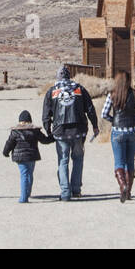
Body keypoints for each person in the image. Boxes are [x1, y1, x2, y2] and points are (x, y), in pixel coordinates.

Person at [41, 65, 99, 201]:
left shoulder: (52, 91)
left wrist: (48, 130)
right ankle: (76, 190)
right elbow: (90, 109)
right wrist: (95, 125)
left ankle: (65, 193)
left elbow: (45, 115)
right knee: (78, 159)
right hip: (79, 130)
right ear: (69, 76)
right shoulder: (79, 89)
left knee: (63, 161)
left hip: (60, 131)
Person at [101, 70, 135, 203]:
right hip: (133, 130)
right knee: (130, 161)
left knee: (119, 162)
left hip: (117, 131)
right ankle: (128, 192)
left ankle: (123, 186)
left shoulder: (112, 94)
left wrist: (114, 120)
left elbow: (104, 114)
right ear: (128, 80)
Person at [2, 110, 54, 203]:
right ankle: (27, 192)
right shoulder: (35, 131)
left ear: (20, 121)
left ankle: (23, 197)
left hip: (20, 157)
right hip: (32, 156)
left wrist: (5, 152)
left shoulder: (15, 131)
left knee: (24, 174)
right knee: (29, 173)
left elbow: (9, 143)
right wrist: (52, 137)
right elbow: (44, 140)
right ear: (30, 120)